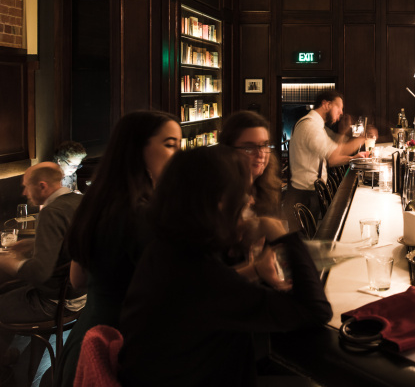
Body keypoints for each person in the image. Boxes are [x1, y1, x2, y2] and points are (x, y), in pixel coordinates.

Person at [117, 146, 332, 387]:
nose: (250, 200)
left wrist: (253, 269)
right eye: (242, 193)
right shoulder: (201, 276)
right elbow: (315, 311)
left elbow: (203, 298)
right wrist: (278, 232)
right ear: (219, 202)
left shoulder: (166, 250)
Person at [54, 111, 181, 387]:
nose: (178, 155)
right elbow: (178, 293)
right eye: (170, 144)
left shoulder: (94, 204)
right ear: (138, 149)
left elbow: (78, 280)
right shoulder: (146, 216)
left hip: (86, 341)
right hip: (124, 349)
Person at [0, 163, 83, 324]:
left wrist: (8, 262)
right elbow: (69, 244)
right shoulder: (79, 200)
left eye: (27, 186)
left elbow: (39, 273)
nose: (24, 193)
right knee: (10, 292)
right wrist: (34, 244)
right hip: (82, 295)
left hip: (57, 302)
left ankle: (8, 340)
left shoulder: (51, 212)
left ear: (42, 186)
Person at [287, 89, 365, 217]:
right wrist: (364, 138)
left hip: (309, 193)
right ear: (326, 104)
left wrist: (353, 158)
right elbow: (335, 153)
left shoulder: (316, 125)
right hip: (304, 195)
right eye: (339, 107)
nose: (341, 112)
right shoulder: (310, 126)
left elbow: (332, 159)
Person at [218, 111, 282, 217]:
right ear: (228, 150)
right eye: (249, 147)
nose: (260, 154)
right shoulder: (220, 198)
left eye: (264, 145)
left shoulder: (266, 189)